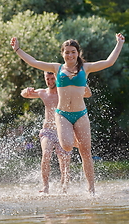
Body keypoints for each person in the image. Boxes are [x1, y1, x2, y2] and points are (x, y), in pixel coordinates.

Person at [11, 33, 125, 195]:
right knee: (66, 144)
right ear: (62, 54)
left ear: (78, 53)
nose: (70, 55)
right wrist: (17, 49)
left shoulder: (85, 68)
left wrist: (119, 43)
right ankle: (80, 142)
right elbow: (34, 62)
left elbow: (109, 62)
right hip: (63, 114)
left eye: (73, 52)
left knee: (86, 153)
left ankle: (91, 189)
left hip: (81, 114)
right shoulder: (56, 68)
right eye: (67, 52)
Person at [21, 71, 92, 194]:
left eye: (52, 79)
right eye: (47, 79)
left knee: (64, 161)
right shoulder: (43, 92)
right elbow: (24, 95)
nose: (50, 82)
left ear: (57, 78)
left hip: (63, 130)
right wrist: (26, 91)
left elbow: (86, 94)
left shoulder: (64, 92)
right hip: (47, 130)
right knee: (46, 153)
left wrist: (81, 83)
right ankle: (45, 186)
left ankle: (64, 186)